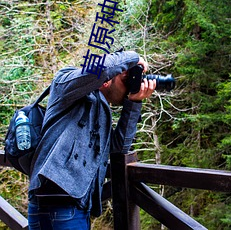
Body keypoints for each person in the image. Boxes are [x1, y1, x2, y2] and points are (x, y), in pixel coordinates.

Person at [28, 50, 156, 230]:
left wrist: (134, 103)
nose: (128, 87)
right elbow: (100, 70)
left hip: (73, 206)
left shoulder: (101, 110)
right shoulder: (66, 81)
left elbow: (118, 147)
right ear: (111, 75)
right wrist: (134, 58)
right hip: (59, 204)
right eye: (125, 79)